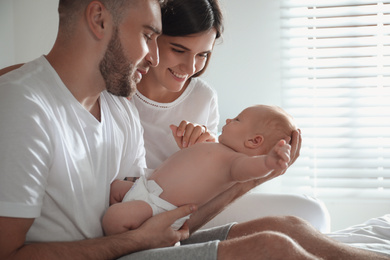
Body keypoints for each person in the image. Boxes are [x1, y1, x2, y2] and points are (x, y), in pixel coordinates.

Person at [1, 0, 387, 259]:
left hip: (127, 245)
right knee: (271, 247)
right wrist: (134, 240)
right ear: (99, 19)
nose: (153, 57)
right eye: (149, 36)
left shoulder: (119, 105)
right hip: (117, 249)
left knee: (286, 225)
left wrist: (245, 179)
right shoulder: (24, 106)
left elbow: (161, 214)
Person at [102, 105, 294, 235]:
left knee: (114, 218)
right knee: (115, 188)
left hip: (159, 209)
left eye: (237, 120)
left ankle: (133, 248)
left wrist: (269, 163)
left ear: (254, 141)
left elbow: (251, 169)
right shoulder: (215, 146)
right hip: (144, 188)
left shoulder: (235, 163)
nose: (228, 119)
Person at [131, 0, 224, 169]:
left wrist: (205, 152)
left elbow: (208, 178)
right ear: (152, 38)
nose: (190, 67)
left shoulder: (204, 99)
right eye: (179, 50)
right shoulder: (117, 91)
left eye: (202, 55)